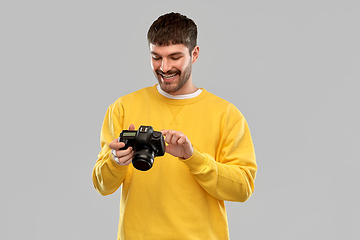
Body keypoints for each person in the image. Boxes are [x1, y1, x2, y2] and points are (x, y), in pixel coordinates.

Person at [92, 12, 257, 240]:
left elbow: (242, 189)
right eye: (156, 57)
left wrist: (193, 158)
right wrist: (116, 160)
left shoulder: (226, 115)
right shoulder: (122, 108)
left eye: (175, 57)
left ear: (194, 54)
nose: (164, 67)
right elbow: (102, 185)